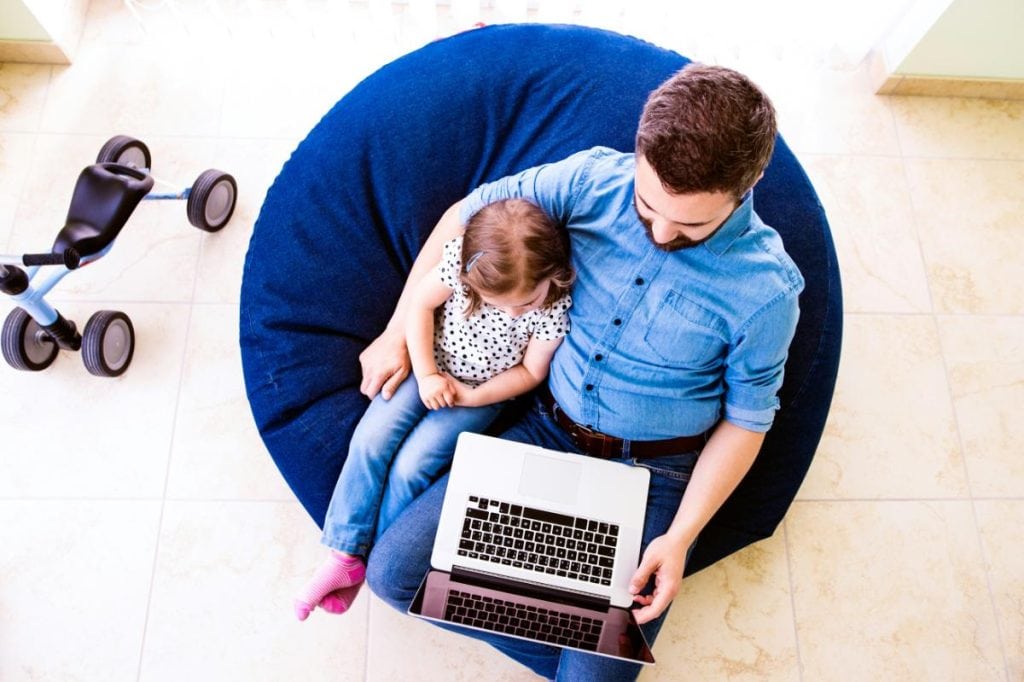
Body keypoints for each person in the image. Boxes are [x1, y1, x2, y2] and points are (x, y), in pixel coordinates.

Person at [359, 63, 804, 680]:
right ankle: (577, 638)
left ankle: (584, 649)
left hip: (657, 474)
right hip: (546, 431)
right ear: (639, 150)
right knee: (394, 575)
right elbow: (467, 218)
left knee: (593, 671)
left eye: (693, 224)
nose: (662, 231)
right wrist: (395, 328)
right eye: (648, 206)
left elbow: (748, 419)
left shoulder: (768, 290)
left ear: (751, 181)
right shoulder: (592, 180)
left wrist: (677, 540)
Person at [294, 198, 574, 621]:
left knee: (414, 465)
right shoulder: (459, 268)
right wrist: (425, 374)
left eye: (526, 302)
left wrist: (473, 396)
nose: (515, 312)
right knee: (371, 441)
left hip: (482, 393)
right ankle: (344, 552)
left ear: (552, 276)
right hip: (429, 366)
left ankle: (375, 556)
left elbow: (532, 371)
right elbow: (420, 308)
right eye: (501, 303)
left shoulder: (552, 307)